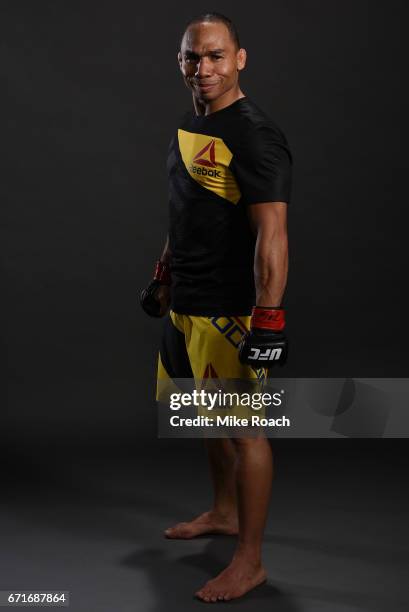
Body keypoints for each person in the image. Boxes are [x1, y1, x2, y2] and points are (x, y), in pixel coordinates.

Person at [140, 12, 292, 603]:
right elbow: (188, 211)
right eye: (191, 58)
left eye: (215, 57)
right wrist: (163, 275)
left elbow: (272, 233)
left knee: (245, 431)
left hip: (230, 309)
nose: (203, 69)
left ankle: (249, 560)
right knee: (204, 416)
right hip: (188, 301)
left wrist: (269, 317)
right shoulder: (191, 123)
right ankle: (225, 512)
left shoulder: (255, 134)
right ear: (180, 62)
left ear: (240, 59)